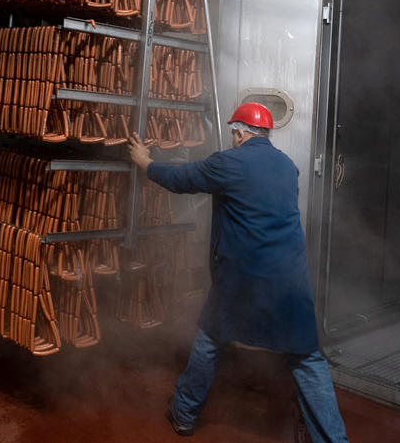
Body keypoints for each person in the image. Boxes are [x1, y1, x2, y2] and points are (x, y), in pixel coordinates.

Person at [127, 102, 349, 442]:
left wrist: (146, 162)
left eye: (234, 133)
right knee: (307, 358)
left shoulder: (228, 162)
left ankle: (183, 415)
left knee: (211, 339)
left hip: (244, 278)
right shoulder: (288, 166)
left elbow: (182, 179)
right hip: (291, 278)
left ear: (239, 133)